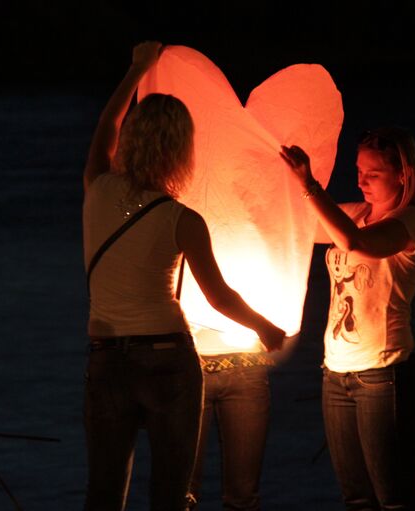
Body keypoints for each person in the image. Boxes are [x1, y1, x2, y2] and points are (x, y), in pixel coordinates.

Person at [81, 41, 285, 511]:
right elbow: (219, 297)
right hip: (168, 360)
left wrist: (136, 70)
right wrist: (264, 328)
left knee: (104, 493)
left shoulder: (97, 188)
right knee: (171, 495)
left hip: (106, 358)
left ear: (130, 139)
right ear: (181, 150)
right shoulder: (182, 219)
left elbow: (104, 127)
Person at [280, 127, 415, 511]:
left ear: (403, 175)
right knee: (357, 499)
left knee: (394, 499)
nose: (361, 180)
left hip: (384, 374)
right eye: (359, 170)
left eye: (373, 173)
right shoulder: (356, 213)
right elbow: (300, 224)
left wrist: (310, 184)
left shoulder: (408, 223)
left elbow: (353, 242)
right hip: (336, 374)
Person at [187, 331, 274, 510]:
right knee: (180, 489)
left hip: (247, 365)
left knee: (243, 495)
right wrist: (266, 328)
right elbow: (220, 301)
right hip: (189, 363)